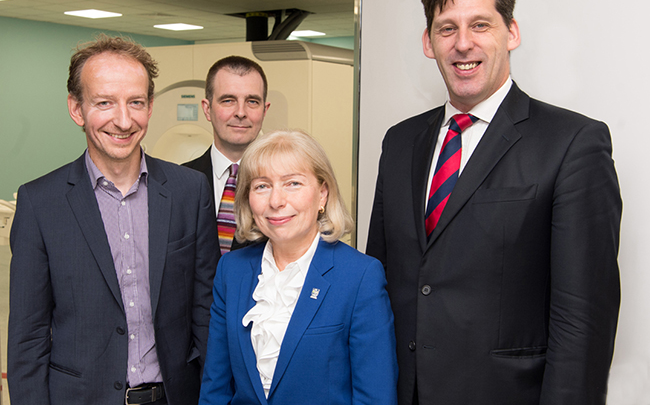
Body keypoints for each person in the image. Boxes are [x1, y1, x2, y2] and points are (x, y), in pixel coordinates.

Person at [367, 0, 621, 405]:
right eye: (447, 28)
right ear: (428, 43)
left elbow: (583, 318)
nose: (463, 43)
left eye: (480, 24)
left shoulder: (572, 143)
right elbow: (380, 278)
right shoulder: (400, 141)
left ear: (512, 33)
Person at [8, 35, 219, 405]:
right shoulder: (40, 203)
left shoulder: (190, 191)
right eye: (104, 103)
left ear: (150, 107)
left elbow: (206, 313)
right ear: (76, 108)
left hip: (174, 396)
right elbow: (29, 337)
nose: (123, 120)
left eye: (135, 102)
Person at [199, 129, 398, 405]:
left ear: (322, 194)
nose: (276, 201)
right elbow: (215, 389)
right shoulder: (231, 271)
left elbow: (375, 398)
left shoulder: (359, 277)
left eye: (292, 183)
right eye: (262, 186)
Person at [183, 55, 270, 254]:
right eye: (228, 100)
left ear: (265, 111)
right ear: (207, 109)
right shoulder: (179, 182)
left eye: (252, 101)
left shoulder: (283, 186)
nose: (240, 112)